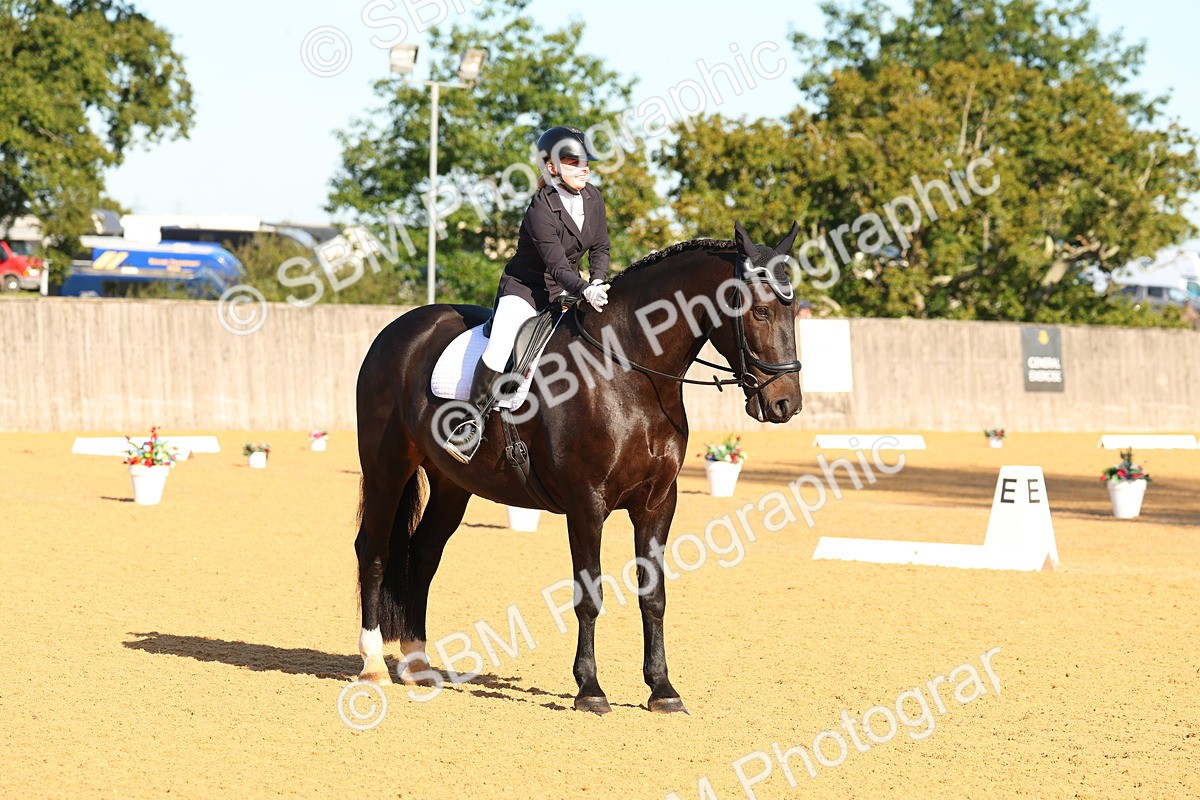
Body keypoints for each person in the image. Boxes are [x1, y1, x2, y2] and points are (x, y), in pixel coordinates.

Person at [443, 125, 612, 463]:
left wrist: (599, 280)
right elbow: (556, 267)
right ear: (551, 167)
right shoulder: (541, 208)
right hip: (526, 290)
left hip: (568, 290)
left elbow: (601, 247)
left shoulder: (592, 197)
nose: (584, 169)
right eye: (574, 163)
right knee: (502, 342)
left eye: (586, 163)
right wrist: (585, 289)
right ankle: (470, 423)